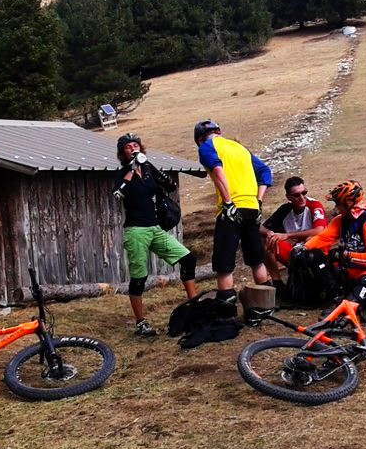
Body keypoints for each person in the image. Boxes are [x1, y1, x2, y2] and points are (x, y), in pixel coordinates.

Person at [113, 133, 197, 336]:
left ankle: (194, 305)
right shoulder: (123, 172)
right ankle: (141, 322)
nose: (133, 148)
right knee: (140, 277)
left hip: (155, 228)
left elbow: (170, 186)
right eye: (128, 147)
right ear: (123, 153)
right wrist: (132, 170)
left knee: (188, 259)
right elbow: (119, 193)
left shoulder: (148, 168)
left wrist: (152, 169)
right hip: (136, 231)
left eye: (136, 145)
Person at [193, 119, 272, 316]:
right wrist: (258, 201)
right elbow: (265, 172)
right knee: (256, 260)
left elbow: (218, 170)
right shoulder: (240, 148)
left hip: (231, 210)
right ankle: (266, 307)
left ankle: (227, 313)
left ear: (200, 138)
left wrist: (228, 202)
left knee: (224, 264)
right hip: (252, 208)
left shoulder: (206, 147)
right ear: (219, 131)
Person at [298, 180, 366, 292]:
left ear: (348, 204)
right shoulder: (340, 220)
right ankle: (335, 294)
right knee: (313, 256)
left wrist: (345, 255)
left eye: (338, 204)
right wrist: (304, 248)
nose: (336, 207)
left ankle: (350, 299)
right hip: (347, 269)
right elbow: (323, 237)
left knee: (364, 284)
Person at [259, 176, 327, 284]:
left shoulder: (314, 205)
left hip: (317, 255)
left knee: (310, 239)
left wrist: (288, 236)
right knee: (266, 239)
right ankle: (278, 283)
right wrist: (270, 233)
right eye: (296, 195)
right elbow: (260, 228)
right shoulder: (285, 210)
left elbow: (320, 230)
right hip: (295, 254)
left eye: (304, 193)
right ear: (288, 197)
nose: (302, 197)